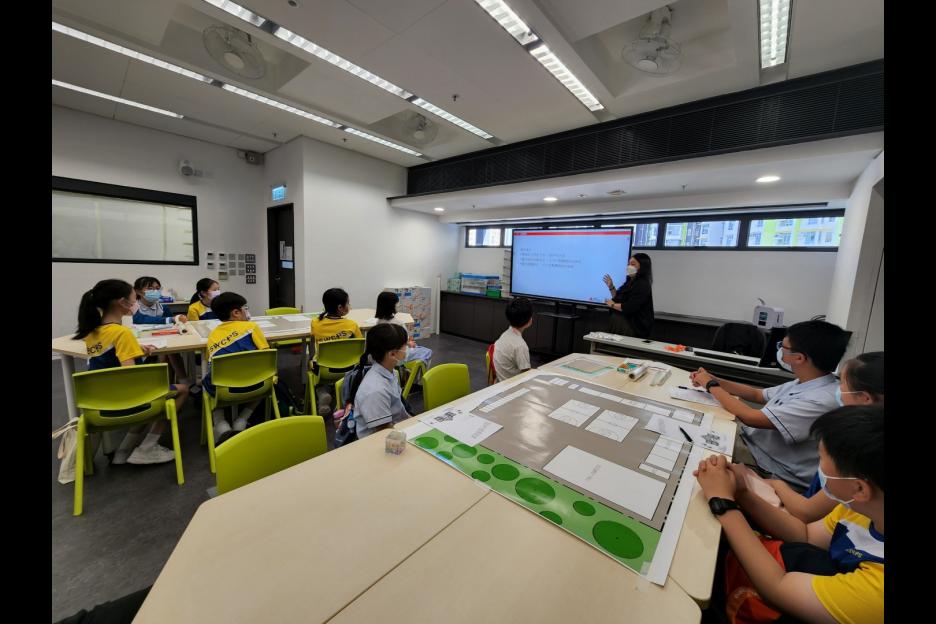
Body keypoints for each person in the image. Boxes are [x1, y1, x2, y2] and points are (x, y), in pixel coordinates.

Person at [694, 405, 883, 624]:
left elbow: (778, 588)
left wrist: (722, 502)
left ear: (859, 488)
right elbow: (805, 535)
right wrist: (742, 491)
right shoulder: (863, 507)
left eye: (821, 460)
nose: (819, 469)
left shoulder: (877, 592)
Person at [689, 320, 850, 490]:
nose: (779, 350)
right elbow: (757, 394)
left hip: (768, 465)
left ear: (799, 358)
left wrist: (710, 385)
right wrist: (714, 380)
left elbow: (751, 417)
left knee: (695, 449)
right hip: (753, 443)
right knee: (698, 427)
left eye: (783, 347)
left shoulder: (821, 400)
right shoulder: (808, 381)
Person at [73, 279, 188, 464]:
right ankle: (146, 448)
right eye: (134, 298)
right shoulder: (122, 333)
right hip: (124, 401)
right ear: (122, 302)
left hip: (98, 402)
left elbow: (107, 357)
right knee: (181, 390)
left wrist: (136, 349)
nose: (136, 303)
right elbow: (131, 377)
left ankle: (123, 452)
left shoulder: (93, 331)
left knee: (149, 392)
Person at [769, 352, 883, 522]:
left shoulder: (861, 450)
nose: (838, 388)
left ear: (864, 398)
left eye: (842, 383)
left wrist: (775, 484)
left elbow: (807, 514)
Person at [202, 292, 270, 443]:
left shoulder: (213, 334)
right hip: (256, 385)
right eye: (246, 308)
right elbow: (266, 354)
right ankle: (242, 419)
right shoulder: (251, 327)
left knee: (207, 381)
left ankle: (220, 423)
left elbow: (210, 361)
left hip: (223, 390)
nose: (247, 311)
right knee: (268, 376)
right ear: (236, 313)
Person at [344, 323, 411, 439]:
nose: (408, 347)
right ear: (392, 354)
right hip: (382, 440)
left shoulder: (389, 372)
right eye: (405, 345)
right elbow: (385, 433)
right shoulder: (375, 390)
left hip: (398, 427)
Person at [310, 288, 363, 416]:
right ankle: (343, 394)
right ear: (340, 307)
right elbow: (361, 346)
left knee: (310, 363)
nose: (349, 306)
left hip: (324, 370)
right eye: (347, 303)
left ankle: (322, 391)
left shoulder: (315, 323)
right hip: (349, 368)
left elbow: (313, 339)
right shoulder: (352, 325)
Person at [132, 276, 189, 386]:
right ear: (138, 291)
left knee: (171, 351)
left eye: (157, 288)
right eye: (150, 288)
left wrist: (176, 321)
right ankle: (179, 382)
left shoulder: (163, 308)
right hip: (142, 344)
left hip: (161, 339)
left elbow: (172, 325)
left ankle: (175, 383)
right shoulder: (133, 307)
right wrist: (170, 319)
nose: (155, 291)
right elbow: (140, 319)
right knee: (167, 354)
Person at [375, 291, 432, 370]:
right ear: (391, 306)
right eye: (396, 304)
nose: (397, 306)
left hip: (384, 357)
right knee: (427, 351)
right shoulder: (398, 324)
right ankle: (416, 375)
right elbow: (403, 341)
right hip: (399, 357)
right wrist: (409, 343)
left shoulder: (378, 323)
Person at [603, 252, 654, 338]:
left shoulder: (642, 284)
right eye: (628, 264)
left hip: (634, 327)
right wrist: (611, 287)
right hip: (623, 323)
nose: (629, 266)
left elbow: (630, 306)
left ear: (642, 267)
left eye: (633, 264)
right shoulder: (630, 281)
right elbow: (618, 299)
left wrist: (612, 305)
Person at [492, 297, 533, 383]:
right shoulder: (520, 346)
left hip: (500, 381)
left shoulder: (505, 334)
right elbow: (526, 375)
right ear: (530, 321)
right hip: (511, 385)